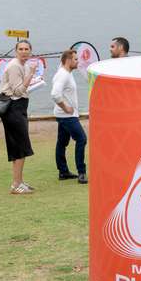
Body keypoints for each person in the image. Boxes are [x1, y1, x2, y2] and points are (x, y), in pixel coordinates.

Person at [0, 40, 37, 194]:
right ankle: (16, 184)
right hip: (12, 108)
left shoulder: (24, 65)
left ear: (31, 51)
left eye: (26, 49)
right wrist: (32, 74)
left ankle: (18, 182)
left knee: (18, 147)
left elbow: (23, 87)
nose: (24, 51)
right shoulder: (15, 66)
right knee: (20, 147)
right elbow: (19, 90)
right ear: (16, 51)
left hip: (19, 107)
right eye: (20, 49)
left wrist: (33, 79)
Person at [51, 49, 88, 184]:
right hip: (67, 116)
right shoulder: (63, 75)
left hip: (64, 115)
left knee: (62, 142)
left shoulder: (64, 72)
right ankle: (82, 172)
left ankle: (63, 172)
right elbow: (55, 94)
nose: (78, 61)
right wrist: (66, 107)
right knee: (82, 139)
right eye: (76, 59)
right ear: (68, 61)